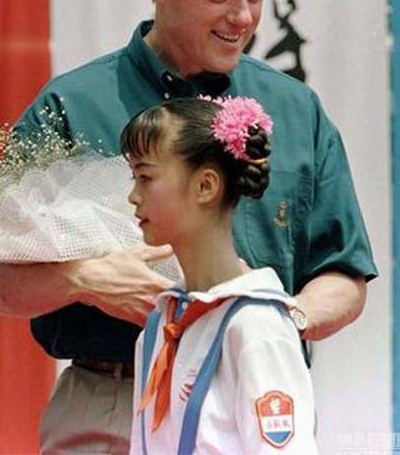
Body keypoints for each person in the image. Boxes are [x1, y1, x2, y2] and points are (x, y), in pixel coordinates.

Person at [0, 0, 377, 453]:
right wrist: (81, 279)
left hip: (255, 391)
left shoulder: (294, 109)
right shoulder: (72, 106)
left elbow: (344, 276)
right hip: (112, 399)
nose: (242, 17)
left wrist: (277, 322)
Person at [122, 97, 315, 453]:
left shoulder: (257, 326)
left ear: (206, 186)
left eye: (145, 177)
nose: (133, 196)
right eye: (134, 177)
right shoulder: (161, 324)